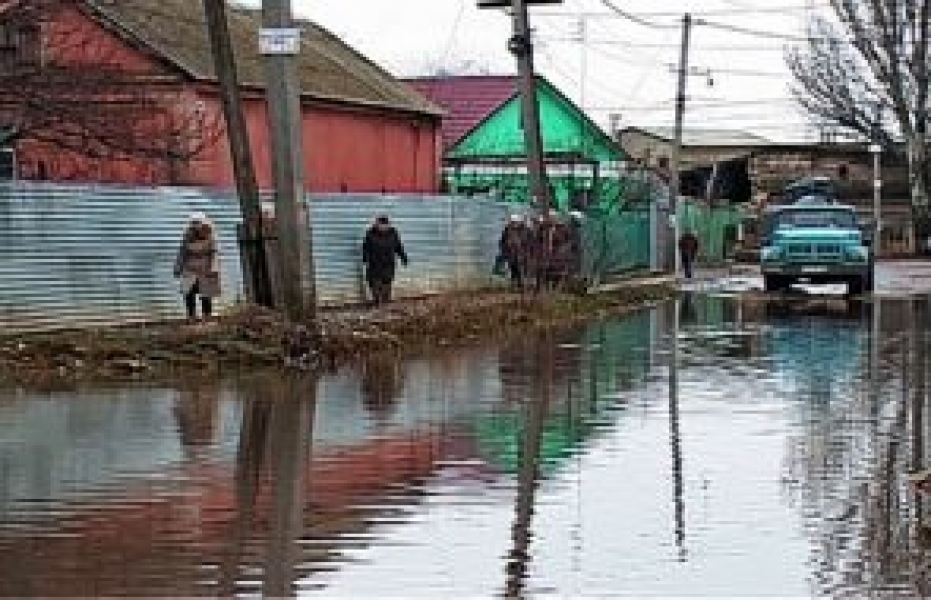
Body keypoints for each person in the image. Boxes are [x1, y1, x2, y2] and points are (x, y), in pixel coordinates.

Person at [174, 212, 221, 322]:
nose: (195, 225)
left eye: (197, 223)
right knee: (188, 293)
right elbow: (182, 252)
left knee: (206, 294)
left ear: (203, 223)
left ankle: (207, 317)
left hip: (205, 269)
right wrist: (178, 267)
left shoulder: (210, 235)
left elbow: (214, 252)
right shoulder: (187, 235)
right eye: (193, 223)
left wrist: (214, 267)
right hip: (190, 269)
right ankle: (191, 316)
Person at [362, 215, 408, 306]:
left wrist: (403, 257)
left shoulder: (393, 233)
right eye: (380, 224)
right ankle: (377, 301)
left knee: (387, 283)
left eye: (384, 225)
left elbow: (398, 246)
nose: (382, 227)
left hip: (388, 264)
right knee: (374, 283)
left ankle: (385, 302)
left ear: (388, 225)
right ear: (377, 224)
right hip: (374, 264)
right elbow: (366, 247)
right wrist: (365, 258)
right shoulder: (370, 233)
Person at [499, 214, 530, 290]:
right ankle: (514, 285)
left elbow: (529, 242)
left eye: (515, 222)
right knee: (513, 270)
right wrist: (504, 251)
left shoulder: (524, 230)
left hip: (521, 254)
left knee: (520, 270)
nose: (514, 223)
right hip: (512, 254)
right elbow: (502, 242)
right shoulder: (507, 230)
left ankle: (521, 285)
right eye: (512, 222)